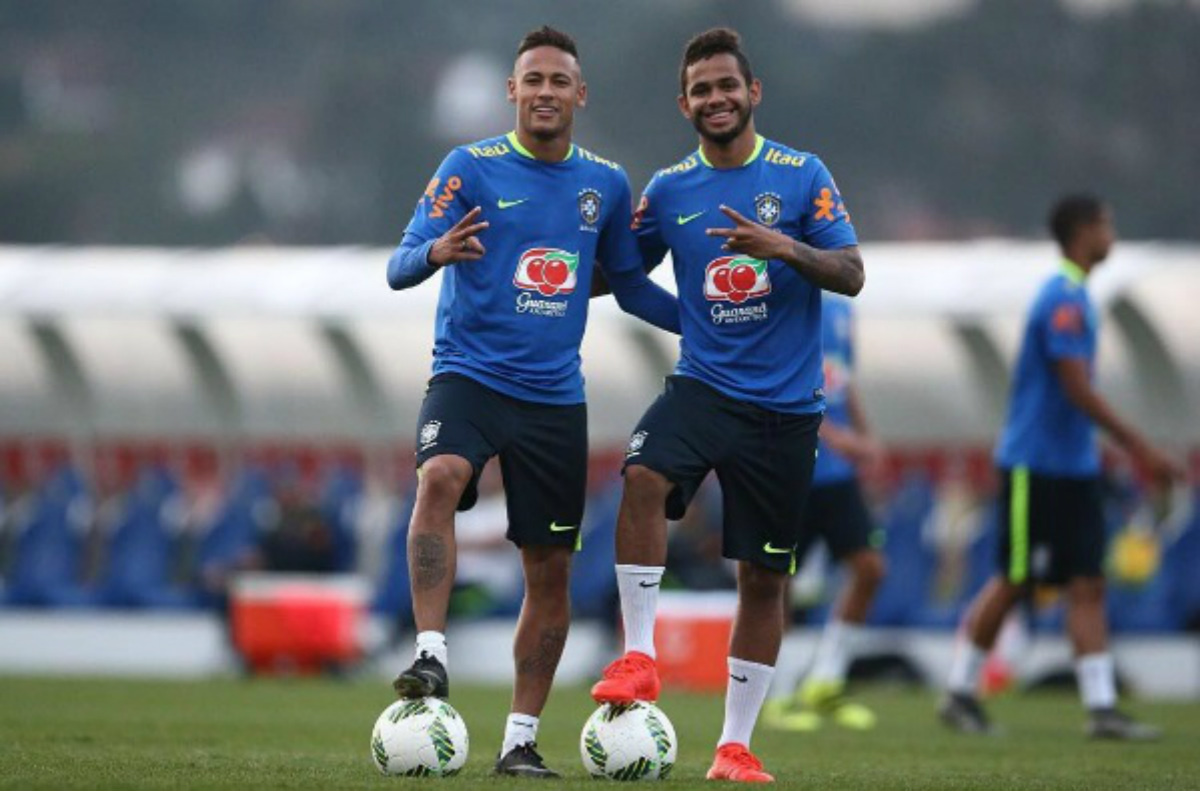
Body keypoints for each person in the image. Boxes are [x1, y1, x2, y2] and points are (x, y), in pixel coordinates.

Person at [385, 26, 680, 778]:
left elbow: (629, 284)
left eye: (559, 80)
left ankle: (519, 740)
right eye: (533, 80)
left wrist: (707, 320)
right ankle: (430, 653)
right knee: (440, 475)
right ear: (512, 91)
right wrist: (436, 252)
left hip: (553, 400)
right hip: (469, 377)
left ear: (580, 94)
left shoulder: (605, 184)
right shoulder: (469, 167)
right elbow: (398, 265)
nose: (545, 91)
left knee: (548, 570)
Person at [590, 28, 864, 783]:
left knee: (764, 577)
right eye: (701, 90)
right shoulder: (670, 189)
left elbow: (850, 272)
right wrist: (542, 262)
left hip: (787, 410)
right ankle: (638, 656)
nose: (716, 99)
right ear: (684, 104)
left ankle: (733, 747)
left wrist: (786, 248)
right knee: (642, 474)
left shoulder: (802, 175)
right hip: (705, 386)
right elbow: (623, 272)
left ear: (753, 93)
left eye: (726, 86)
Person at [939, 194, 1183, 740]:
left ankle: (1101, 708)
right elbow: (1076, 387)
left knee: (1088, 582)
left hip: (1075, 467)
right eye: (1106, 224)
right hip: (1036, 465)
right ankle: (959, 690)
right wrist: (1141, 448)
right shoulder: (1062, 298)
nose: (1111, 235)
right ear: (1083, 231)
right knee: (1016, 579)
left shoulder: (1078, 296)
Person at [764, 294, 887, 733]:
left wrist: (866, 438)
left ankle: (825, 681)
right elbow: (775, 385)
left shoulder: (841, 308)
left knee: (870, 568)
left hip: (836, 476)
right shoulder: (781, 299)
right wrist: (838, 438)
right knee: (775, 582)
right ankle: (777, 695)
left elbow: (842, 380)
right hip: (790, 468)